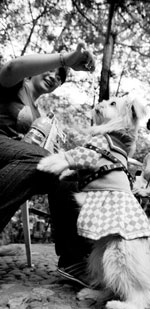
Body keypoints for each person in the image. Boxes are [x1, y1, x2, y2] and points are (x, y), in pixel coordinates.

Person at [0, 41, 95, 285]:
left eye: (60, 77)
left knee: (63, 169)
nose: (55, 76)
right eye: (52, 70)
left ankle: (74, 260)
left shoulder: (39, 115)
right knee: (48, 162)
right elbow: (11, 67)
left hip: (13, 164)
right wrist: (64, 59)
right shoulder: (14, 84)